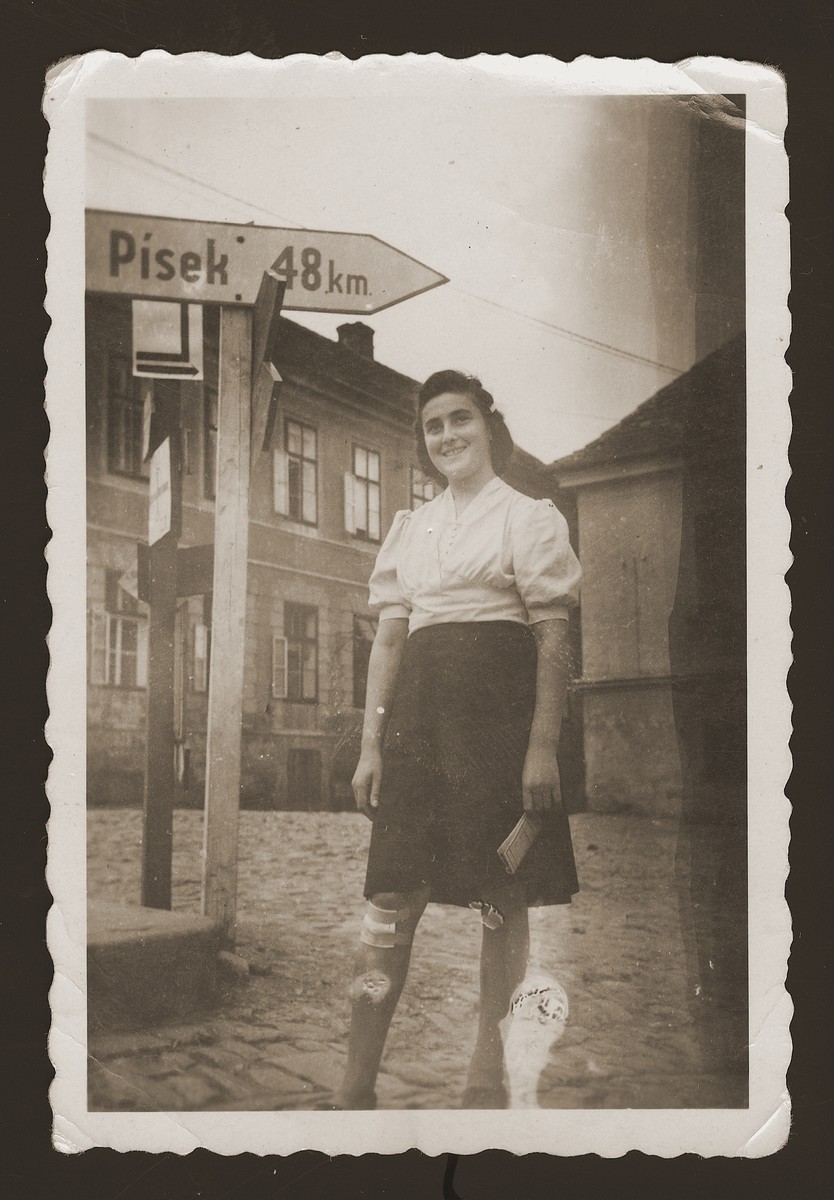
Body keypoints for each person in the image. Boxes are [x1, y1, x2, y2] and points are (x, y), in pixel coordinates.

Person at [332, 370, 581, 1110]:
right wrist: (371, 746)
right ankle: (354, 1086)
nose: (447, 435)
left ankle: (484, 1079)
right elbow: (387, 645)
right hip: (416, 731)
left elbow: (554, 642)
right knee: (387, 900)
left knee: (500, 905)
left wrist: (542, 748)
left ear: (487, 426)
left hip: (498, 731)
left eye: (459, 419)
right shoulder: (410, 528)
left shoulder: (529, 519)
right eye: (434, 425)